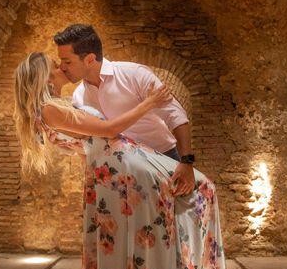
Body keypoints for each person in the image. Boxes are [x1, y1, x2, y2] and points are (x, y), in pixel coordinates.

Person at [14, 52, 230, 269]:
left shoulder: (53, 108)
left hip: (119, 168)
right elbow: (109, 128)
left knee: (171, 228)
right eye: (54, 66)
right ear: (43, 77)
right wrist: (149, 102)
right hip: (124, 170)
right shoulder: (51, 110)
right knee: (194, 199)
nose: (61, 68)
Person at [54, 24, 196, 197]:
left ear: (90, 59)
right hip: (120, 172)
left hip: (164, 159)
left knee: (177, 222)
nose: (62, 67)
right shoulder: (79, 97)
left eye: (67, 61)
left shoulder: (134, 74)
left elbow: (175, 115)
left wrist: (186, 161)